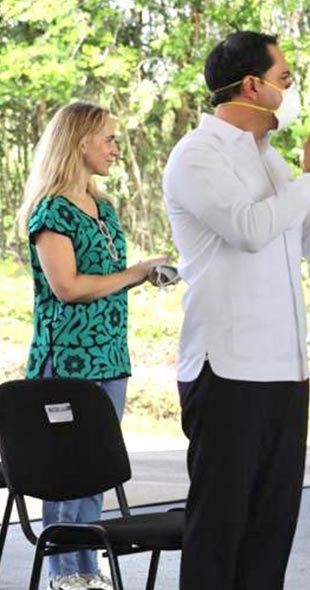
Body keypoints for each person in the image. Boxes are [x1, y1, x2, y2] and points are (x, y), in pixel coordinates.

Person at [162, 31, 310, 589]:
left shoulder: (269, 160)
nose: (291, 91)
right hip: (228, 369)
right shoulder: (198, 154)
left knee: (272, 529)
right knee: (220, 528)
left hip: (284, 372)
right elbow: (248, 230)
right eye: (285, 79)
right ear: (251, 85)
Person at [16, 101, 167, 590]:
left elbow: (107, 280)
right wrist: (136, 273)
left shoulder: (104, 207)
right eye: (109, 139)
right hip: (67, 362)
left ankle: (86, 571)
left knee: (96, 473)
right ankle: (65, 577)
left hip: (110, 357)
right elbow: (69, 287)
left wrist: (146, 274)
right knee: (67, 476)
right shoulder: (51, 211)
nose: (116, 149)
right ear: (80, 143)